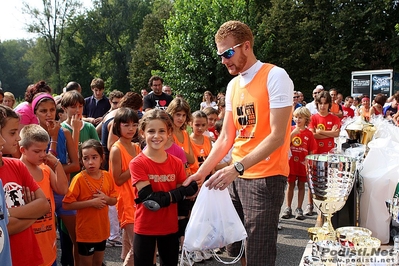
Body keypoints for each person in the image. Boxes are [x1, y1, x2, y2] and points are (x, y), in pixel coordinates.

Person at [184, 20, 294, 266]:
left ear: (246, 46)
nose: (224, 60)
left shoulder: (275, 76)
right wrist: (200, 173)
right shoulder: (234, 84)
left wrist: (236, 168)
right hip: (236, 176)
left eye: (228, 53)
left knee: (259, 252)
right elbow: (226, 137)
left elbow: (277, 136)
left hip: (265, 176)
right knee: (235, 247)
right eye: (220, 55)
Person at [129, 109, 198, 266]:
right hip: (145, 227)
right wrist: (182, 192)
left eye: (161, 131)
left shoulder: (176, 163)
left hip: (170, 227)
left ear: (169, 133)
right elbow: (151, 201)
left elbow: (183, 201)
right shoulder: (137, 163)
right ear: (142, 133)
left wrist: (182, 229)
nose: (156, 136)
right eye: (151, 131)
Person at [32, 92, 81, 266]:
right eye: (43, 110)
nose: (49, 114)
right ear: (35, 113)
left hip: (62, 192)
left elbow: (76, 165)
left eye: (52, 110)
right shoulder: (30, 136)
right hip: (42, 192)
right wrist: (58, 168)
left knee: (77, 238)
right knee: (46, 237)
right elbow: (35, 168)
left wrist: (55, 168)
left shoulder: (65, 132)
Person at [0, 105, 50, 266]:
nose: (18, 138)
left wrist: (7, 215)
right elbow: (5, 228)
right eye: (12, 133)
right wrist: (32, 213)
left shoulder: (16, 165)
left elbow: (44, 205)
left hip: (30, 254)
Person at [19, 124, 69, 266]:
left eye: (44, 150)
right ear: (23, 149)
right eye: (37, 151)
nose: (42, 154)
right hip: (28, 241)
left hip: (48, 241)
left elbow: (63, 189)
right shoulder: (17, 171)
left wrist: (57, 164)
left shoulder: (45, 168)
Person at [63, 139, 118, 266]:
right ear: (82, 160)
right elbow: (66, 204)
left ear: (102, 158)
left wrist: (106, 198)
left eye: (94, 157)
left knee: (98, 262)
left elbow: (114, 200)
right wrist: (91, 203)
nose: (90, 162)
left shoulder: (107, 176)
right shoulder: (79, 179)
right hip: (86, 233)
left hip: (102, 230)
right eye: (86, 158)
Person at [109, 107, 141, 265]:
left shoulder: (136, 147)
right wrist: (135, 165)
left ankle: (124, 259)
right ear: (118, 125)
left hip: (137, 198)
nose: (131, 129)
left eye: (134, 125)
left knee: (129, 244)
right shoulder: (116, 149)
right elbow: (118, 179)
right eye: (126, 125)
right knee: (139, 246)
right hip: (125, 199)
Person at [281, 107, 316, 221]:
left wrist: (309, 162)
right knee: (290, 185)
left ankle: (299, 208)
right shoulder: (290, 129)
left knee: (301, 186)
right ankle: (288, 207)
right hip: (291, 163)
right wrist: (292, 134)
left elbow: (311, 150)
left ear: (306, 119)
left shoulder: (309, 134)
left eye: (300, 117)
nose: (297, 119)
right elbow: (284, 144)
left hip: (302, 164)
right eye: (296, 117)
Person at [166, 98, 196, 173]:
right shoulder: (167, 134)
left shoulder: (185, 133)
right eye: (178, 114)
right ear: (171, 113)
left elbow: (192, 160)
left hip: (187, 174)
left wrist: (177, 150)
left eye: (184, 115)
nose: (181, 118)